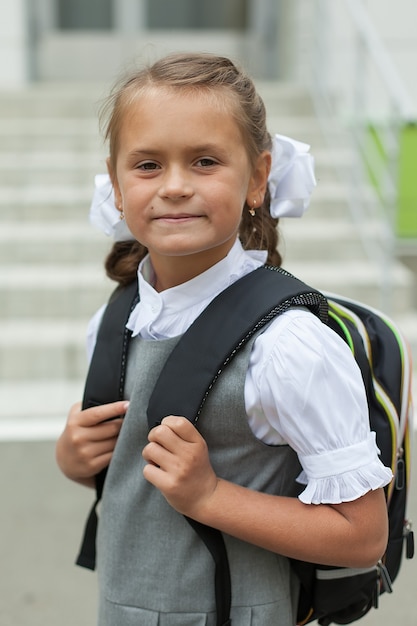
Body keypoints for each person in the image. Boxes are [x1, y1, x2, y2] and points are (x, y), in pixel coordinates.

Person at [56, 52, 392, 626]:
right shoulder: (115, 323)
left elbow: (361, 537)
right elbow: (132, 478)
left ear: (257, 177)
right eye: (147, 166)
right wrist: (74, 458)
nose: (176, 187)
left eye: (205, 161)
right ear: (114, 183)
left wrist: (210, 496)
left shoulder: (289, 344)